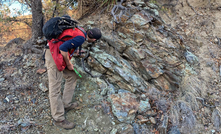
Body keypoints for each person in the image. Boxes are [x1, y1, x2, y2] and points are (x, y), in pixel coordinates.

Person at [45, 27, 102, 130]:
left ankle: (66, 104)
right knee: (55, 89)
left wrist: (75, 53)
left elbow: (66, 43)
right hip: (53, 55)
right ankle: (59, 119)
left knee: (71, 76)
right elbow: (63, 48)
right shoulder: (81, 38)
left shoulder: (80, 31)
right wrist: (69, 63)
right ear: (94, 39)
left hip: (58, 54)